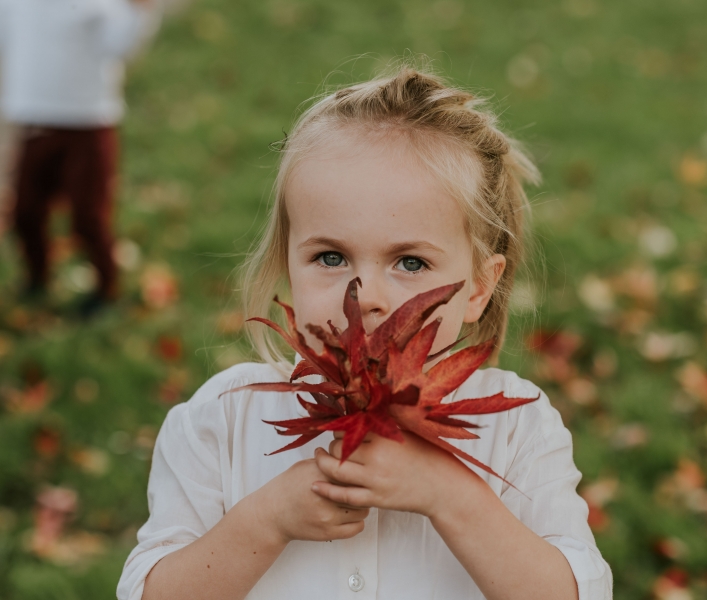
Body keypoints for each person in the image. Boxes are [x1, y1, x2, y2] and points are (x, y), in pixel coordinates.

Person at [118, 67, 613, 600]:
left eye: (410, 262)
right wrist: (264, 522)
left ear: (478, 288)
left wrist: (449, 496)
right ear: (288, 265)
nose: (366, 294)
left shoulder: (516, 425)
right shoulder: (225, 418)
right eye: (330, 257)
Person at [0, 0, 159, 315]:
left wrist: (142, 11)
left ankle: (106, 287)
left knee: (88, 215)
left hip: (88, 123)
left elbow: (121, 44)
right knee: (26, 212)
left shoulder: (99, 4)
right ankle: (36, 277)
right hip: (33, 119)